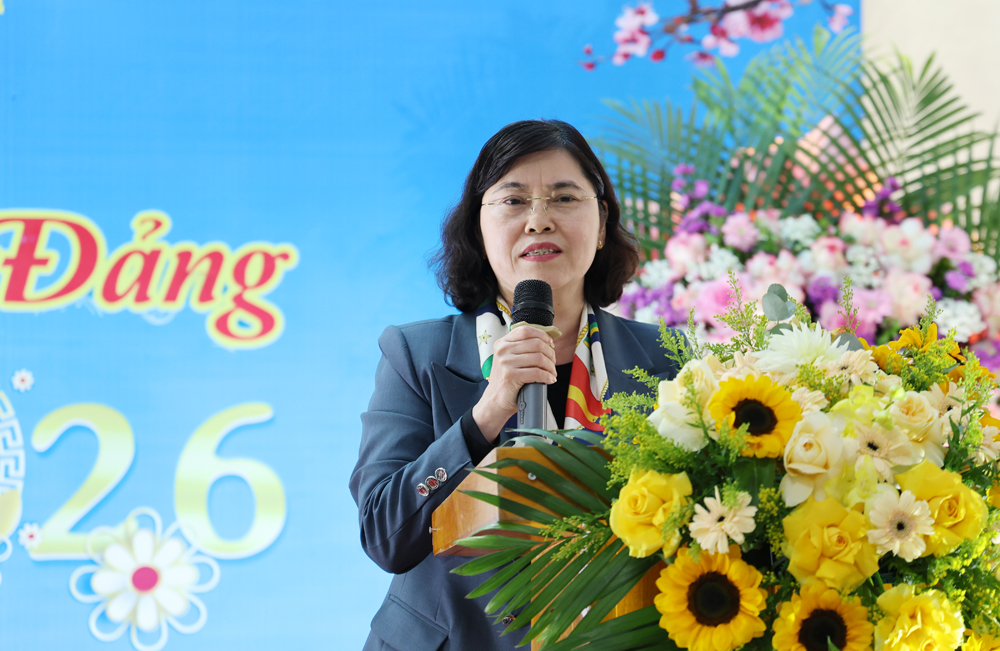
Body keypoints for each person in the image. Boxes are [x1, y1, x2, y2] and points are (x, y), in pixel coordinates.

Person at [350, 119, 680, 651]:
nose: (539, 220)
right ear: (479, 229)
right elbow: (386, 534)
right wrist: (485, 416)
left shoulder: (668, 360)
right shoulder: (416, 354)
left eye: (564, 198)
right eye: (513, 200)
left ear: (601, 225)